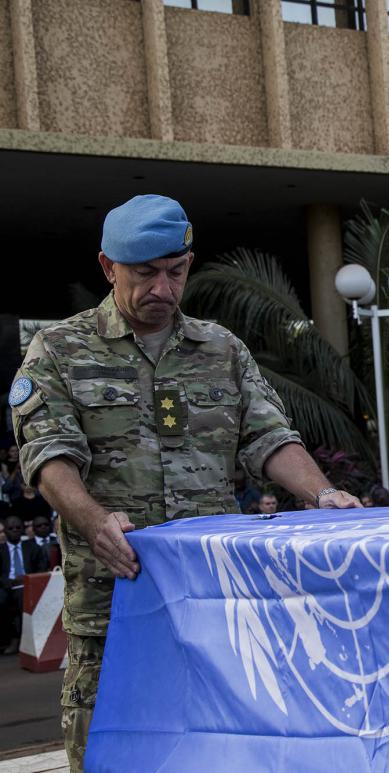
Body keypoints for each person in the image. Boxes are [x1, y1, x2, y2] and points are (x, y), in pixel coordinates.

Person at [8, 194, 360, 768]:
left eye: (176, 273)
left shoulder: (221, 350)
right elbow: (51, 458)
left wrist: (320, 493)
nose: (163, 290)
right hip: (114, 608)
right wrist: (95, 523)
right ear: (107, 267)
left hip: (214, 608)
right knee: (108, 758)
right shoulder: (60, 351)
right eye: (145, 274)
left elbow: (270, 437)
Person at [2, 514, 49, 654]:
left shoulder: (32, 547)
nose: (15, 530)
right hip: (6, 586)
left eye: (18, 527)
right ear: (5, 531)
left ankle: (20, 640)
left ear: (23, 529)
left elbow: (42, 567)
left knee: (22, 596)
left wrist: (28, 578)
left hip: (28, 585)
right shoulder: (1, 549)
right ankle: (10, 638)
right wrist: (8, 582)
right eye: (11, 528)